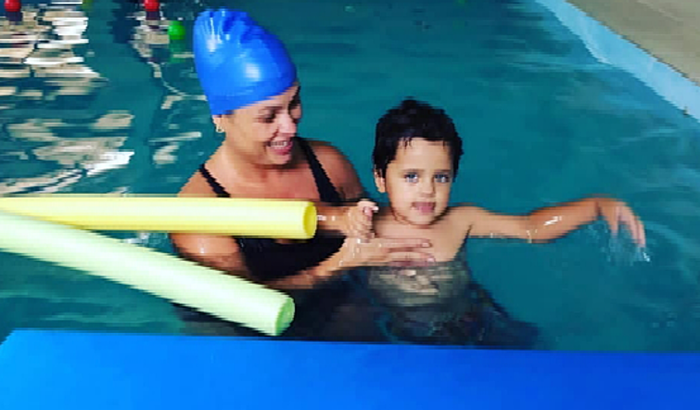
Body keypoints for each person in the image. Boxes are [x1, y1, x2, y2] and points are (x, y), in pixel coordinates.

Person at [168, 9, 433, 339]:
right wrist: (335, 266)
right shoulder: (196, 213)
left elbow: (380, 232)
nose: (290, 126)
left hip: (352, 309)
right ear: (221, 118)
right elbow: (240, 313)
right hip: (269, 342)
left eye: (294, 103)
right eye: (269, 117)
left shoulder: (328, 163)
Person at [354, 98, 646, 348]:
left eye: (440, 177)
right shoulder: (365, 225)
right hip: (403, 327)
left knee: (528, 352)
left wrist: (596, 205)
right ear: (380, 178)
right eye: (411, 176)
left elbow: (531, 228)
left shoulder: (461, 219)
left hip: (471, 315)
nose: (427, 189)